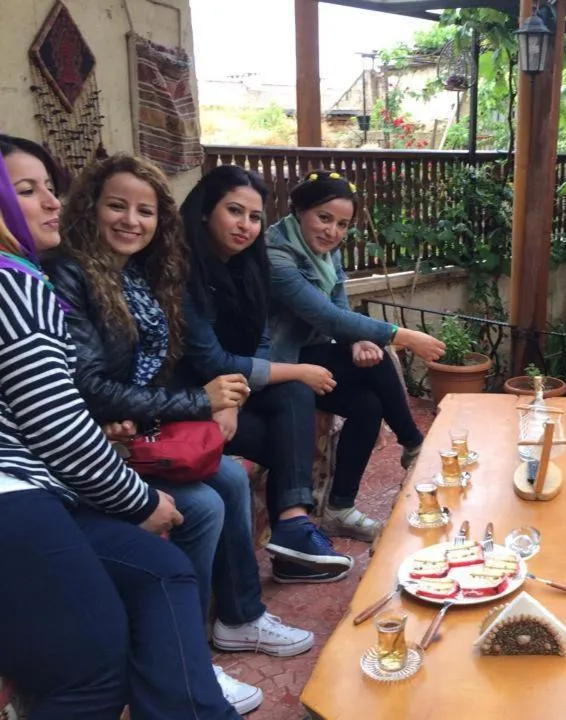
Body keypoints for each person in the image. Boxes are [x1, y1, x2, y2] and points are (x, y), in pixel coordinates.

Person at [48, 153, 312, 714]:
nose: (131, 220)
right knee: (207, 505)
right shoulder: (69, 274)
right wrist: (201, 402)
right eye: (117, 206)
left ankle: (239, 618)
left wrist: (153, 413)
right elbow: (86, 382)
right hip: (89, 445)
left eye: (144, 211)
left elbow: (153, 366)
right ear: (89, 208)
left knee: (233, 481)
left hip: (137, 427)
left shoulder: (143, 274)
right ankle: (186, 659)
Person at [0, 135, 241, 719]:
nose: (51, 203)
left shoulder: (140, 279)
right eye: (26, 192)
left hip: (54, 477)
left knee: (163, 569)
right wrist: (139, 501)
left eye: (50, 190)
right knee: (89, 673)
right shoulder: (25, 282)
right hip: (21, 489)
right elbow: (60, 418)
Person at [179, 164, 354, 583]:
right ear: (206, 211)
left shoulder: (248, 265)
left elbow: (258, 339)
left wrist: (237, 397)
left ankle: (293, 528)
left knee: (295, 396)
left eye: (255, 217)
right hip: (189, 399)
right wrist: (230, 398)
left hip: (228, 392)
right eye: (234, 212)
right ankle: (293, 547)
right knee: (290, 425)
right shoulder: (182, 272)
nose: (246, 225)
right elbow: (208, 360)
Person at [265, 168, 445, 541]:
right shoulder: (276, 254)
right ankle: (414, 444)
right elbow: (323, 314)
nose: (333, 231)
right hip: (278, 362)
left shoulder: (324, 251)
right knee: (380, 354)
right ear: (300, 210)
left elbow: (337, 301)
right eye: (324, 218)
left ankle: (338, 509)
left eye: (343, 224)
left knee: (367, 404)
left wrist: (354, 341)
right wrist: (403, 335)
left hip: (312, 350)